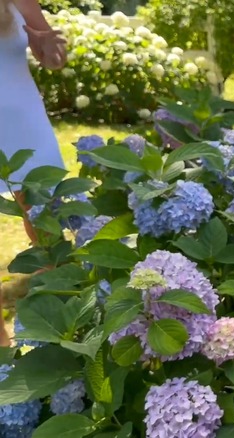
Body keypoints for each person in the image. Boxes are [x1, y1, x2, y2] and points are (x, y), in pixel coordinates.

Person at [0, 0, 67, 346]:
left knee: (48, 231)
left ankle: (57, 334)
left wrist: (50, 50)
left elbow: (53, 59)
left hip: (25, 123)